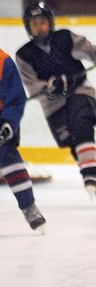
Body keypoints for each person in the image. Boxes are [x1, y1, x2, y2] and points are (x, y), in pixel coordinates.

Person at [15, 1, 96, 205]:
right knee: (72, 142)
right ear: (28, 27)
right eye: (34, 23)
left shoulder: (65, 37)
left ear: (50, 22)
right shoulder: (24, 55)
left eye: (42, 22)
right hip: (52, 105)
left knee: (81, 121)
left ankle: (90, 173)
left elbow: (91, 52)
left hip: (80, 90)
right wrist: (49, 87)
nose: (39, 27)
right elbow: (33, 86)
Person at [0, 48, 46, 232]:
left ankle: (28, 207)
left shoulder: (3, 61)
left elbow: (16, 99)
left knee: (8, 157)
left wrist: (7, 124)